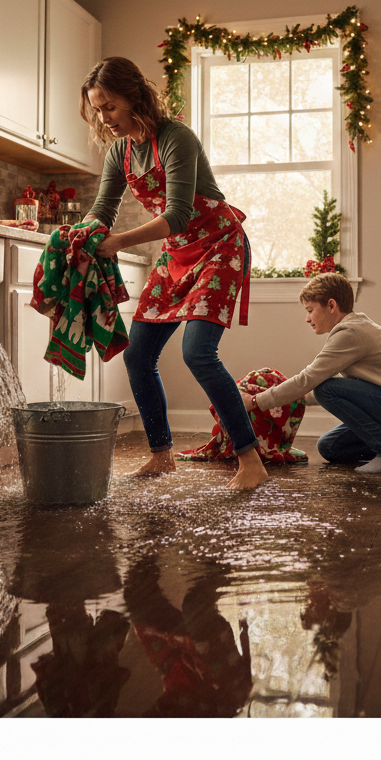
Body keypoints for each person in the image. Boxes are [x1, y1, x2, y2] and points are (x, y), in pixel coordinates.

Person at [79, 56, 269, 490]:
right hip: (177, 254)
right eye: (97, 108)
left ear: (133, 98)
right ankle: (161, 455)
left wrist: (116, 243)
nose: (103, 117)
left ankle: (250, 462)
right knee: (137, 354)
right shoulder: (119, 152)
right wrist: (80, 235)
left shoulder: (175, 137)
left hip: (219, 245)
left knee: (198, 353)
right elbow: (102, 212)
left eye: (109, 106)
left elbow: (179, 214)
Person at [241, 273, 381, 473]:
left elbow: (309, 380)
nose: (307, 318)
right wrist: (293, 400)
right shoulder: (352, 328)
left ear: (331, 305)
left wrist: (256, 402)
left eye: (310, 310)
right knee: (329, 447)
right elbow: (358, 392)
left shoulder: (350, 334)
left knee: (324, 389)